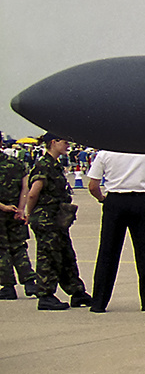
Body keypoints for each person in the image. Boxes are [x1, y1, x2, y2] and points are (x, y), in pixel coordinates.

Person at [86, 150, 145, 312]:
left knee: (108, 251)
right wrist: (144, 184)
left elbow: (93, 185)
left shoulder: (105, 153)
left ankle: (99, 302)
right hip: (141, 199)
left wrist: (102, 199)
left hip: (115, 200)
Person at [16, 133, 90, 311]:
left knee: (65, 254)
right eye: (65, 142)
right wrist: (29, 213)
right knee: (48, 256)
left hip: (56, 219)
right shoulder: (44, 165)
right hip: (46, 219)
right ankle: (45, 295)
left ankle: (76, 291)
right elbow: (34, 192)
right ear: (53, 143)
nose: (67, 146)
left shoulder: (54, 165)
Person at [0, 148, 39, 299]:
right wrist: (21, 208)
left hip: (2, 211)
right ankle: (29, 281)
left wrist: (3, 207)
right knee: (18, 246)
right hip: (16, 210)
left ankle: (8, 286)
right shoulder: (16, 163)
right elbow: (25, 187)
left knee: (2, 250)